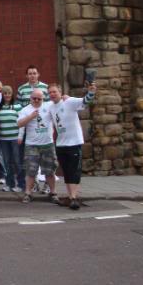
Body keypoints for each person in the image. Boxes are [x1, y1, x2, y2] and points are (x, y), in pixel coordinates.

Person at [49, 82, 97, 210]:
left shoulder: (69, 101)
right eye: (50, 92)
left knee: (74, 171)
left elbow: (85, 101)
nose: (52, 94)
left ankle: (74, 198)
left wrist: (91, 92)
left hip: (74, 143)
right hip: (61, 144)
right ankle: (71, 197)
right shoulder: (51, 107)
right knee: (66, 171)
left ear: (60, 92)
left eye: (54, 92)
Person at [17, 89, 59, 204]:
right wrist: (30, 117)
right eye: (34, 98)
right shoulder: (25, 110)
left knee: (50, 171)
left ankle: (53, 193)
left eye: (39, 99)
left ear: (43, 99)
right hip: (32, 145)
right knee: (31, 171)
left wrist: (65, 97)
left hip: (48, 144)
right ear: (30, 98)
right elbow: (19, 124)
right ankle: (28, 193)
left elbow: (59, 102)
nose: (36, 100)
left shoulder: (49, 106)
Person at [0, 86, 23, 192]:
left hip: (15, 138)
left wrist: (20, 136)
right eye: (5, 93)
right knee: (6, 162)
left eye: (9, 93)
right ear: (2, 95)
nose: (7, 95)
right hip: (3, 139)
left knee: (17, 161)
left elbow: (22, 122)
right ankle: (9, 183)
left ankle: (21, 184)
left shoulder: (17, 106)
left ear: (12, 94)